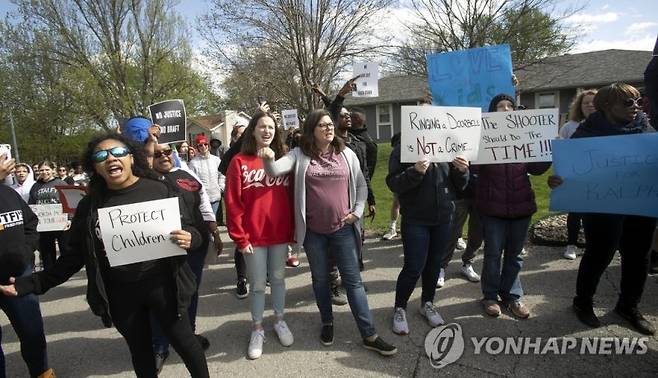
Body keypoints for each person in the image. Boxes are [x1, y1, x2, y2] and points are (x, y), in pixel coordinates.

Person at [0, 133, 210, 377]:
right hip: (120, 293)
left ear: (131, 158)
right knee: (141, 352)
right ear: (95, 167)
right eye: (101, 155)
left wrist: (191, 238)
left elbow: (196, 229)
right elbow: (74, 255)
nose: (111, 158)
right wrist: (32, 284)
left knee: (186, 343)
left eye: (118, 152)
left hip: (165, 287)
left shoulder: (161, 189)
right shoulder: (90, 206)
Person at [260, 109, 397, 356]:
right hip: (313, 233)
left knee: (353, 282)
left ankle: (369, 334)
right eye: (322, 125)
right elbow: (273, 171)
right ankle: (327, 322)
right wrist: (268, 158)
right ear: (312, 130)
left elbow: (361, 184)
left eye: (330, 124)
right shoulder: (299, 155)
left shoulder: (346, 154)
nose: (329, 128)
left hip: (343, 230)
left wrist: (357, 210)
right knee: (321, 280)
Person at [548, 83, 657, 335]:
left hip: (640, 203)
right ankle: (583, 302)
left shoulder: (646, 128)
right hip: (602, 205)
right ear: (607, 106)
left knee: (638, 256)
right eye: (628, 103)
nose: (636, 108)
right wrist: (559, 180)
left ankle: (628, 306)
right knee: (600, 253)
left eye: (639, 101)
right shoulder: (587, 133)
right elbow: (570, 171)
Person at [225, 111, 295, 359]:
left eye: (271, 127)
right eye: (262, 126)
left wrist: (293, 233)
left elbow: (293, 197)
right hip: (253, 237)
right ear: (252, 130)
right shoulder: (239, 162)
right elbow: (232, 203)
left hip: (278, 234)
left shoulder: (284, 160)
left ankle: (279, 320)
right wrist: (239, 237)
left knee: (278, 279)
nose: (267, 131)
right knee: (256, 285)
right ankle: (257, 328)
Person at [476, 94, 551, 319]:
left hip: (521, 206)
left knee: (515, 255)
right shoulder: (483, 137)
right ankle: (489, 296)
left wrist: (547, 148)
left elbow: (537, 168)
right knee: (492, 255)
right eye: (501, 106)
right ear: (492, 112)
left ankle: (512, 296)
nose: (507, 109)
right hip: (492, 208)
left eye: (510, 105)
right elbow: (473, 170)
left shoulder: (525, 136)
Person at [386, 131, 469, 335]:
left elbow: (462, 186)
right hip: (416, 219)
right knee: (414, 266)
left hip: (443, 218)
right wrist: (415, 171)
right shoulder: (403, 147)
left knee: (434, 264)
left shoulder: (448, 145)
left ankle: (427, 303)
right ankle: (400, 308)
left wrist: (462, 171)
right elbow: (393, 183)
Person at [150, 142, 222, 372]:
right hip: (160, 252)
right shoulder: (143, 182)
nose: (163, 156)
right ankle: (159, 345)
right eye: (157, 153)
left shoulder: (187, 175)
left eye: (167, 152)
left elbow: (204, 207)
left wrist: (215, 233)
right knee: (161, 299)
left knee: (190, 292)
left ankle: (188, 336)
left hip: (195, 246)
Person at [0, 156, 55, 378]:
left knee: (32, 333)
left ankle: (41, 372)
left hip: (18, 278)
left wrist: (25, 251)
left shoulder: (9, 193)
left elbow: (31, 224)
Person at [559, 89, 597, 260]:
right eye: (585, 102)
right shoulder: (569, 127)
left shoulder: (608, 125)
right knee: (575, 212)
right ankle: (571, 245)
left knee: (596, 214)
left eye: (593, 102)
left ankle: (593, 246)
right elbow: (561, 153)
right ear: (579, 106)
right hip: (576, 177)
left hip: (600, 178)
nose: (589, 105)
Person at [218, 123, 250, 298]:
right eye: (241, 135)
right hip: (240, 206)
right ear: (234, 138)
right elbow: (223, 168)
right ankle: (242, 279)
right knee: (241, 244)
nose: (245, 137)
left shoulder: (257, 152)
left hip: (256, 207)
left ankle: (264, 272)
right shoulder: (232, 155)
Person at [28, 160, 69, 270]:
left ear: (52, 170)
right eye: (42, 170)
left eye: (47, 169)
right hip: (43, 224)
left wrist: (69, 218)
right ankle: (50, 271)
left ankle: (65, 269)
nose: (44, 172)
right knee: (46, 250)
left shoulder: (61, 183)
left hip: (60, 221)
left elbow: (68, 202)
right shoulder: (35, 186)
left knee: (65, 247)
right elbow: (31, 204)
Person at [188, 135, 225, 226]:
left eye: (205, 144)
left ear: (208, 146)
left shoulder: (216, 160)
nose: (203, 147)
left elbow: (222, 175)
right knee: (207, 222)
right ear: (197, 147)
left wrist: (221, 187)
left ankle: (213, 238)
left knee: (213, 220)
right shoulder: (193, 163)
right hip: (203, 198)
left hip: (215, 195)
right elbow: (191, 180)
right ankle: (210, 239)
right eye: (201, 145)